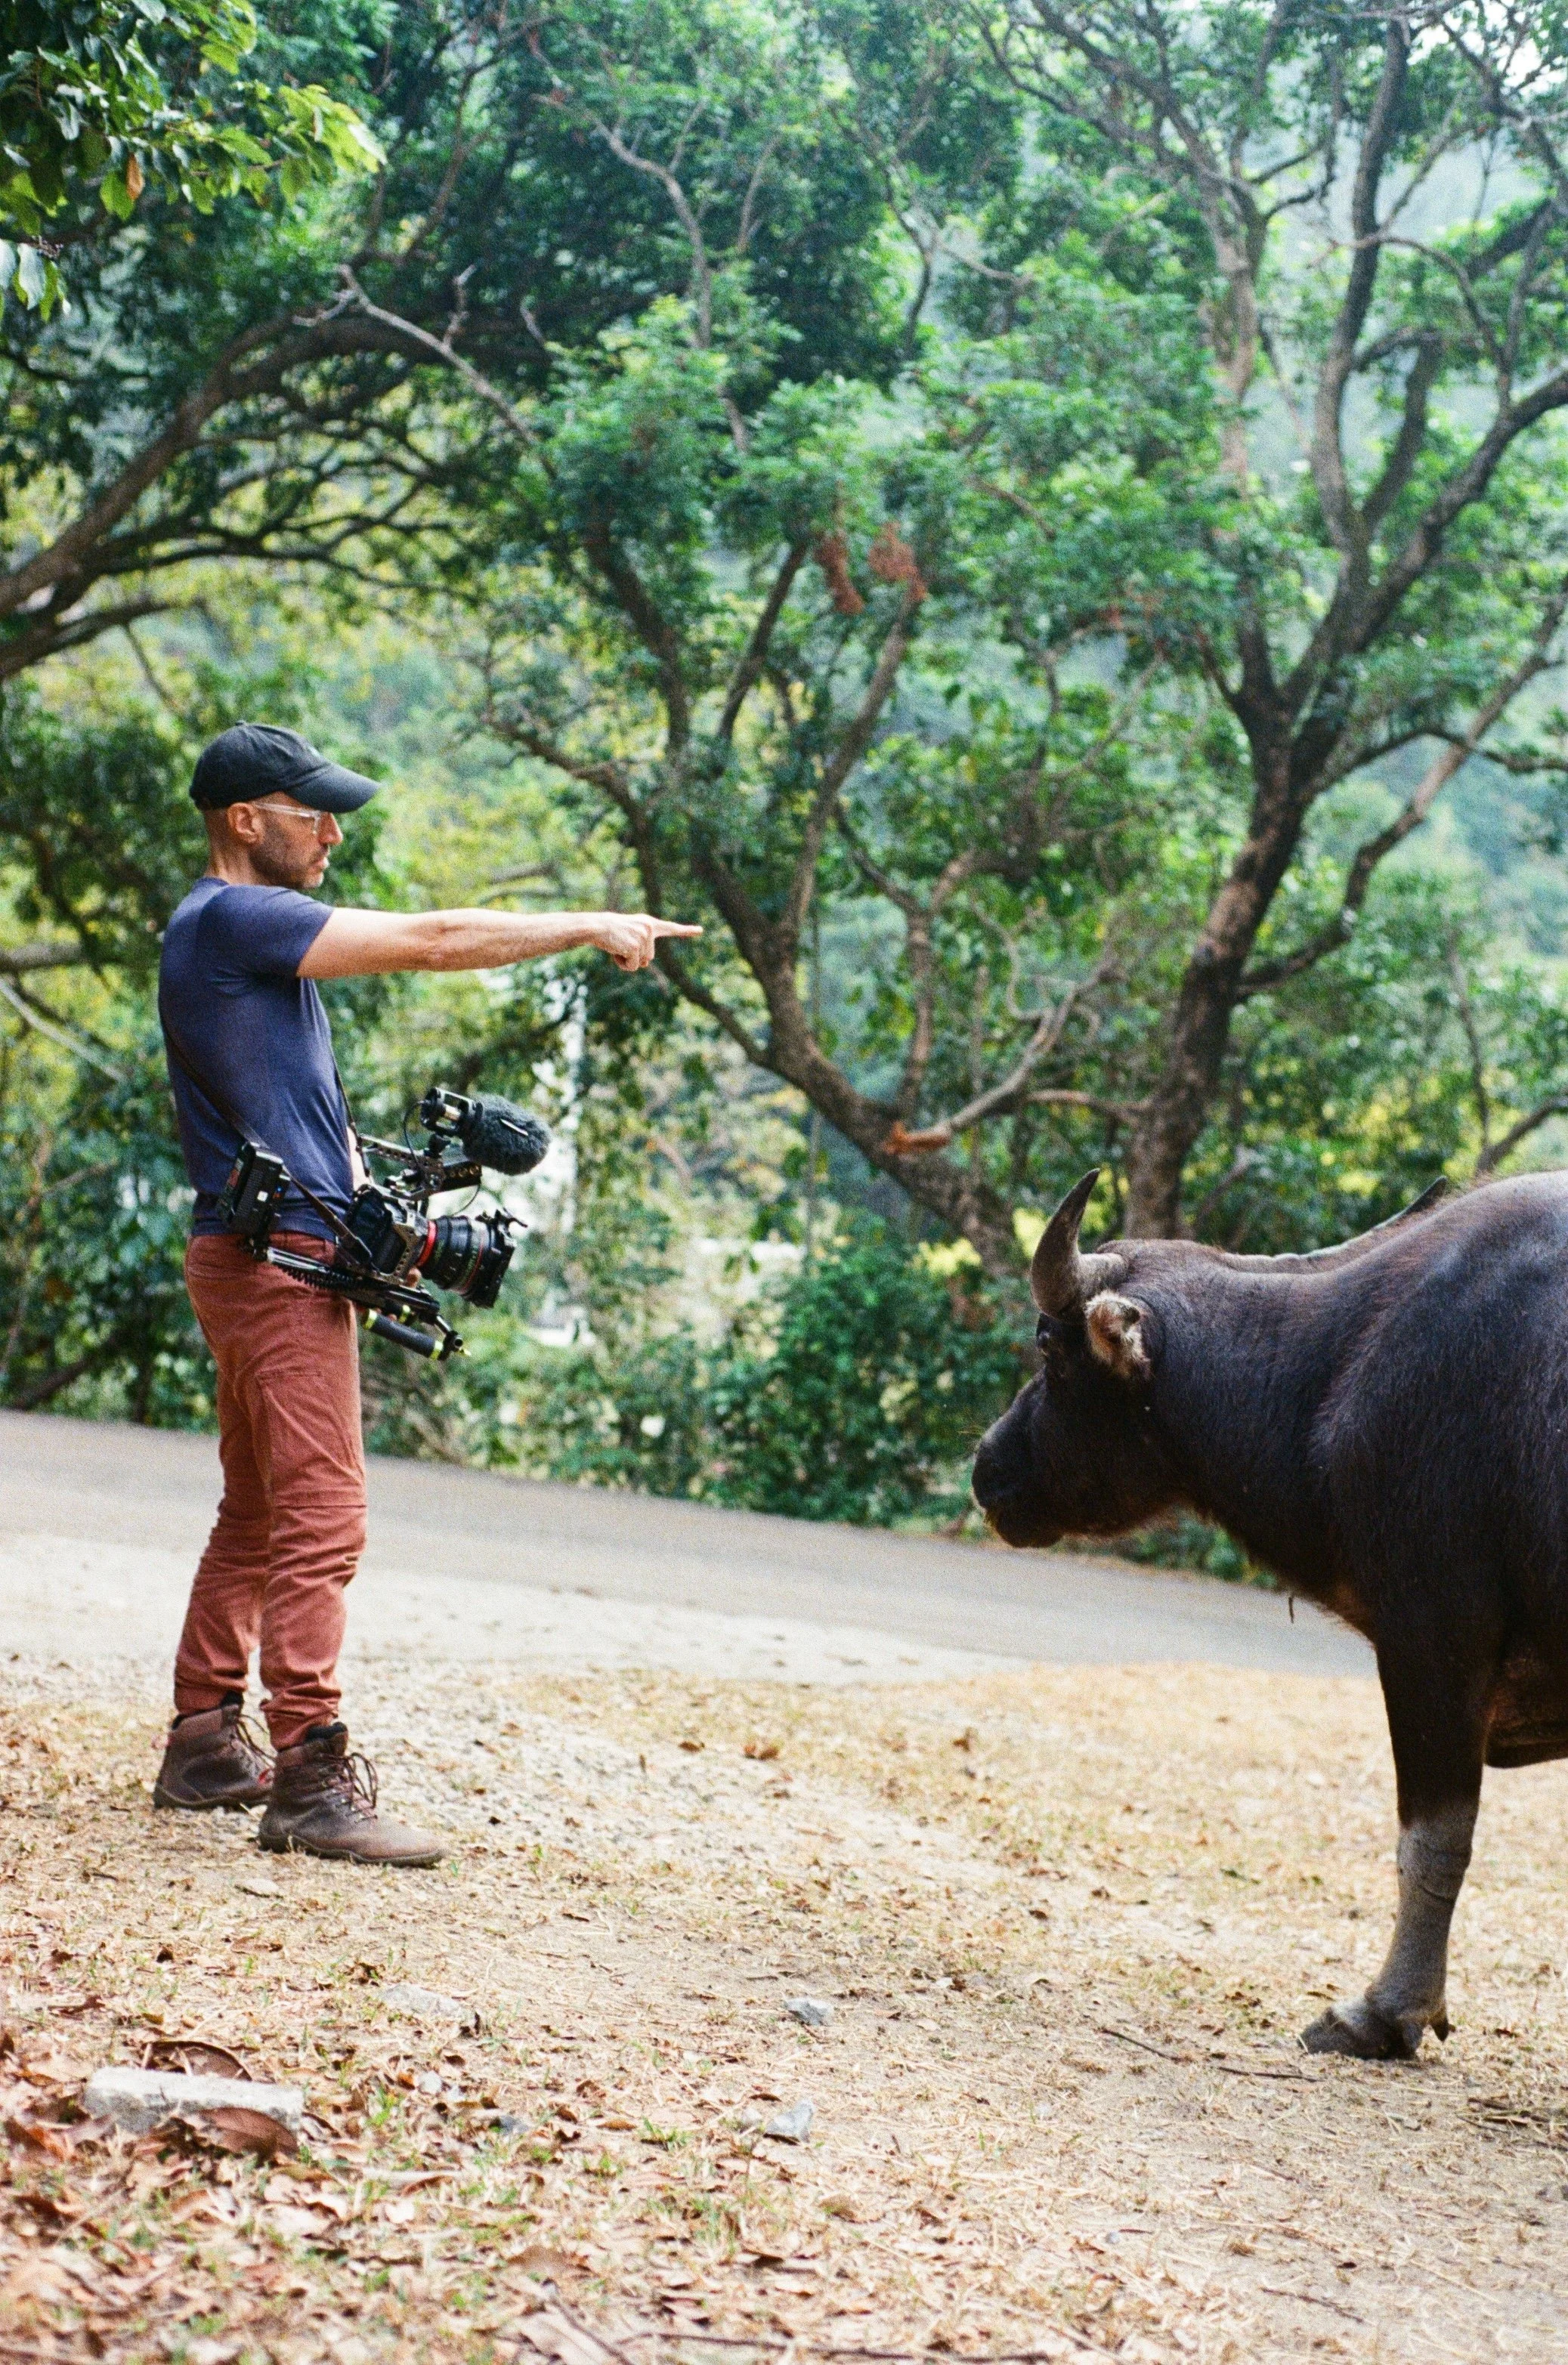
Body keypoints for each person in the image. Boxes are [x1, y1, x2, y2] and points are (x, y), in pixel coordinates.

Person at [152, 722, 700, 1866]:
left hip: (257, 1253)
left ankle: (205, 1739)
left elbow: (295, 1115)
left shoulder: (222, 939)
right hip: (277, 1269)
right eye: (313, 812)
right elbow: (439, 937)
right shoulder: (235, 916)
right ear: (246, 820)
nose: (333, 832)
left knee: (256, 1509)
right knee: (323, 1519)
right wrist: (588, 923)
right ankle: (308, 1775)